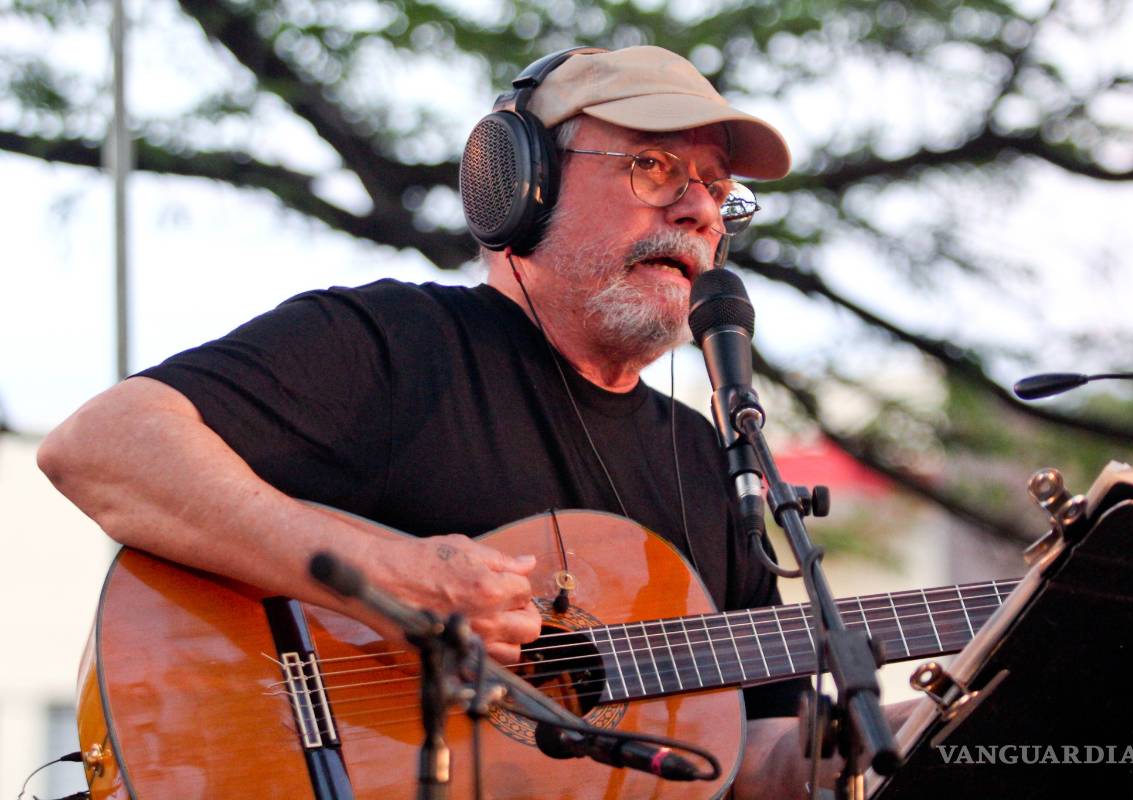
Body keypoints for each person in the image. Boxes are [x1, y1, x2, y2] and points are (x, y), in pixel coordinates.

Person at [39, 45, 898, 797]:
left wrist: (934, 721)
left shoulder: (715, 465)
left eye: (718, 190)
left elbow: (752, 758)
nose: (700, 211)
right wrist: (388, 579)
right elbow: (100, 446)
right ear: (519, 186)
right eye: (654, 169)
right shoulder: (397, 344)